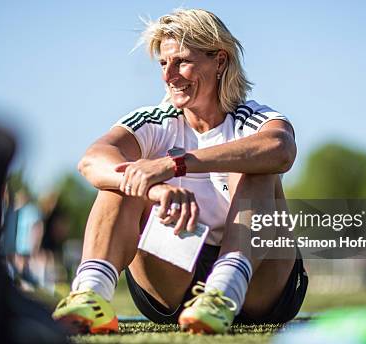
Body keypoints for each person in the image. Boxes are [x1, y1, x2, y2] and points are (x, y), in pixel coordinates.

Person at [52, 8, 307, 334]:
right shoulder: (155, 120)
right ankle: (90, 294)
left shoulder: (250, 118)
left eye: (182, 61)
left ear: (220, 61)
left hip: (260, 286)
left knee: (259, 167)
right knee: (123, 176)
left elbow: (281, 149)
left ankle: (222, 291)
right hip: (175, 280)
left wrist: (176, 164)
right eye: (163, 63)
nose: (169, 75)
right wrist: (153, 187)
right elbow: (91, 160)